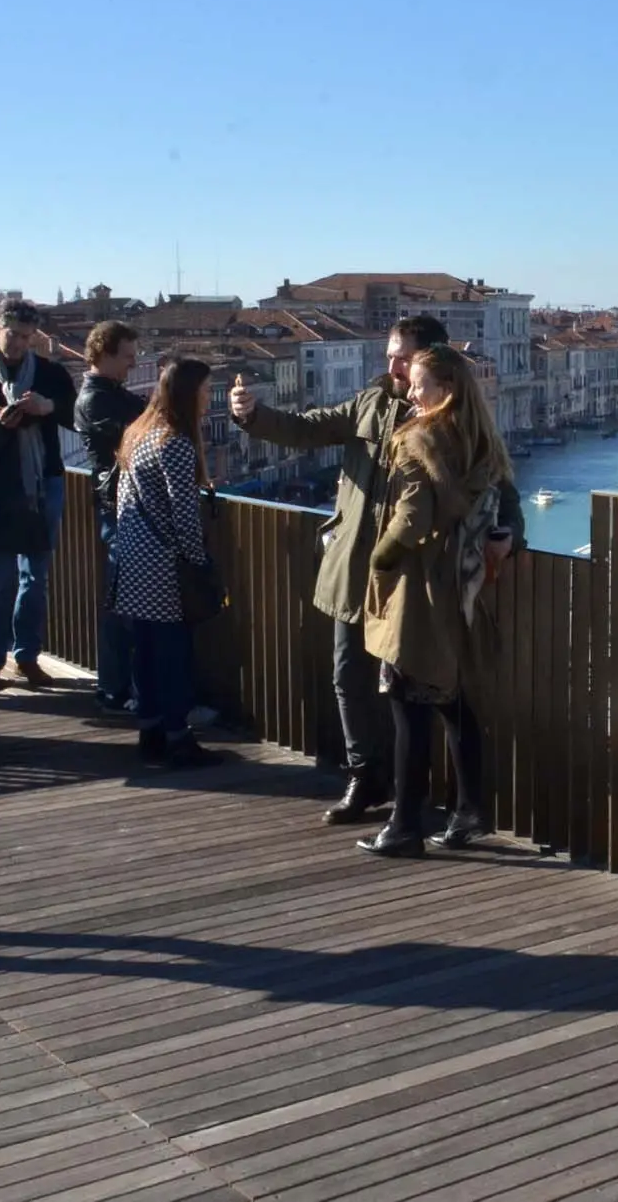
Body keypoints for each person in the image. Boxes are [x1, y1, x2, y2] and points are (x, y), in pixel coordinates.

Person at [231, 315, 522, 823]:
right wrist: (252, 416)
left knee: (419, 692)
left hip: (411, 583)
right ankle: (366, 778)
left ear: (431, 362)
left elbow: (498, 486)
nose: (389, 365)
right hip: (357, 570)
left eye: (401, 357)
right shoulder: (369, 404)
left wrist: (510, 534)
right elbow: (306, 429)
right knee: (351, 676)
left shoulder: (450, 420)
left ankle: (419, 800)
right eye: (389, 355)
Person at [357, 344, 514, 858]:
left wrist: (378, 559)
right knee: (453, 699)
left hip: (420, 588)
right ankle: (470, 810)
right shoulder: (481, 442)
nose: (410, 390)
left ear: (443, 391)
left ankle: (405, 826)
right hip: (462, 588)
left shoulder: (418, 438)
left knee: (407, 704)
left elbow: (411, 519)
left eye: (420, 384)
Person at [109, 356, 227, 769]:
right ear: (188, 393)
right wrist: (198, 563)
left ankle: (151, 732)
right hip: (163, 567)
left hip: (134, 559)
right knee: (173, 653)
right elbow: (184, 511)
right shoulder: (174, 442)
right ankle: (178, 737)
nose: (207, 397)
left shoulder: (139, 433)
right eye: (204, 389)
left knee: (145, 650)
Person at [0, 302, 78, 691]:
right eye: (14, 335)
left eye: (27, 337)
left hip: (44, 483)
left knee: (35, 577)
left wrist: (48, 406)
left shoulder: (51, 375)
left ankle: (27, 656)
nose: (20, 344)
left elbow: (77, 416)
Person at [74, 321, 146, 715]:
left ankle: (118, 687)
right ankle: (117, 688)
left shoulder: (112, 394)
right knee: (123, 605)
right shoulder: (95, 400)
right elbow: (137, 438)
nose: (133, 365)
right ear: (103, 354)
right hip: (118, 508)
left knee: (124, 602)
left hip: (123, 506)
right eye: (128, 357)